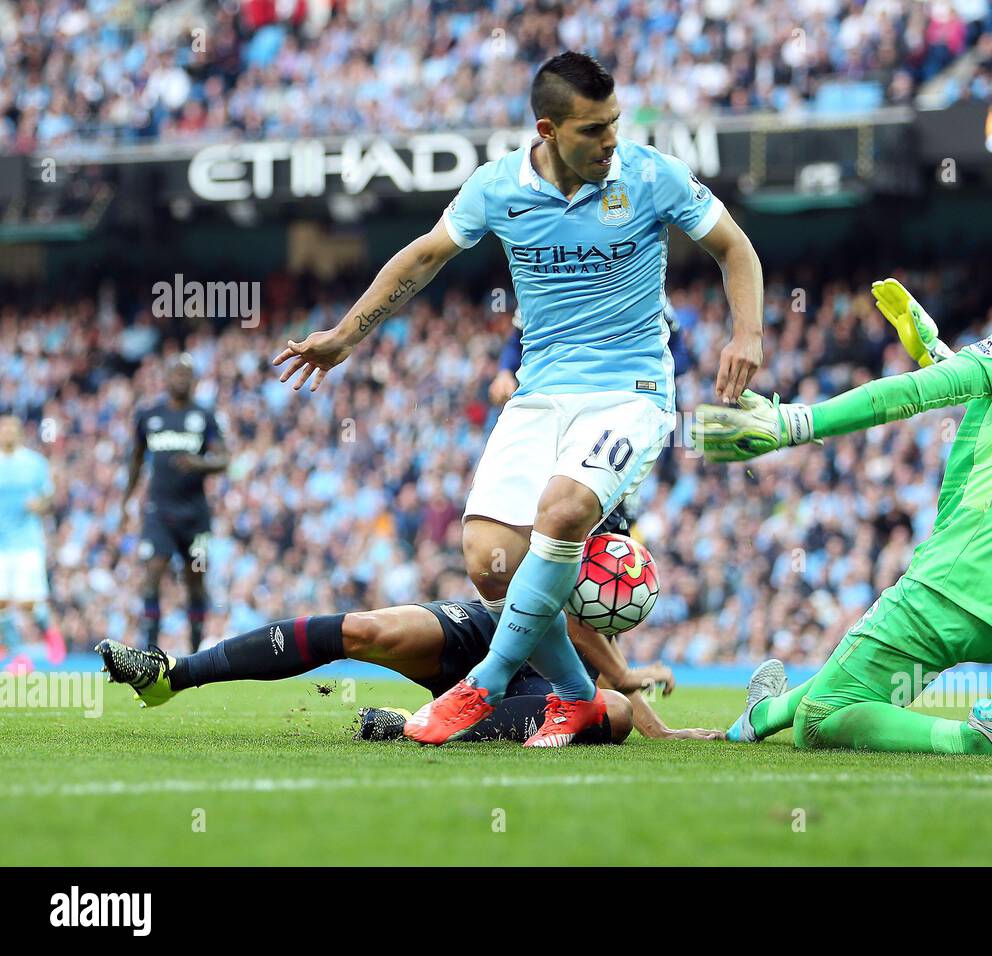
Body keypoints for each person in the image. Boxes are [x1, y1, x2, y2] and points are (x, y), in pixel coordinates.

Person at [272, 51, 763, 747]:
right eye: (594, 129)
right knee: (489, 559)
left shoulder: (652, 176)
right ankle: (574, 696)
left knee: (561, 512)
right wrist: (346, 337)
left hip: (631, 391)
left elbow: (734, 247)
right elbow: (422, 257)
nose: (611, 140)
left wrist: (747, 333)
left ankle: (482, 687)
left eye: (615, 123)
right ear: (548, 129)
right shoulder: (498, 186)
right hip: (541, 393)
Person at [694, 228, 992, 758]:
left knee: (821, 719)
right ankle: (760, 716)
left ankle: (979, 740)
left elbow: (914, 395)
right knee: (859, 684)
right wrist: (936, 351)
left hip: (958, 583)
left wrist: (795, 422)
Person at [95, 598, 724, 745]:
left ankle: (406, 725)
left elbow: (606, 670)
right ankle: (172, 675)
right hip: (493, 625)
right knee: (363, 630)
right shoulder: (558, 451)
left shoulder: (631, 457)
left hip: (554, 683)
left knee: (610, 714)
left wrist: (658, 727)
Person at [122, 354, 229, 652]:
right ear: (166, 378)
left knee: (195, 582)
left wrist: (200, 464)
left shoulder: (204, 416)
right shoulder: (149, 415)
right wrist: (125, 500)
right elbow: (135, 459)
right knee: (152, 574)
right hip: (159, 513)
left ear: (194, 380)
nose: (181, 378)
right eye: (176, 373)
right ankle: (151, 651)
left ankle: (196, 653)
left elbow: (224, 459)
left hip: (195, 516)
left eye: (187, 373)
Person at [0, 415, 61, 666]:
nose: (7, 433)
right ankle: (18, 654)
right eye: (3, 429)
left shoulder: (34, 463)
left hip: (26, 542)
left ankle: (52, 634)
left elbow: (49, 498)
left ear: (20, 433)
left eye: (12, 429)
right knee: (1, 601)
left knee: (27, 603)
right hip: (1, 543)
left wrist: (40, 505)